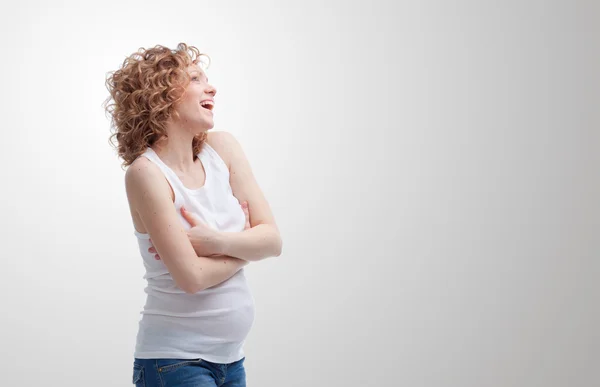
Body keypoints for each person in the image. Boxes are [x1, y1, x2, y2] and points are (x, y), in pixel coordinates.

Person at [104, 42, 282, 386]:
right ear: (162, 97)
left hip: (232, 360)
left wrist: (216, 241)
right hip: (173, 362)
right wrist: (245, 246)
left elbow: (273, 240)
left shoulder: (223, 149)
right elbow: (192, 278)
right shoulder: (146, 174)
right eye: (196, 78)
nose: (211, 87)